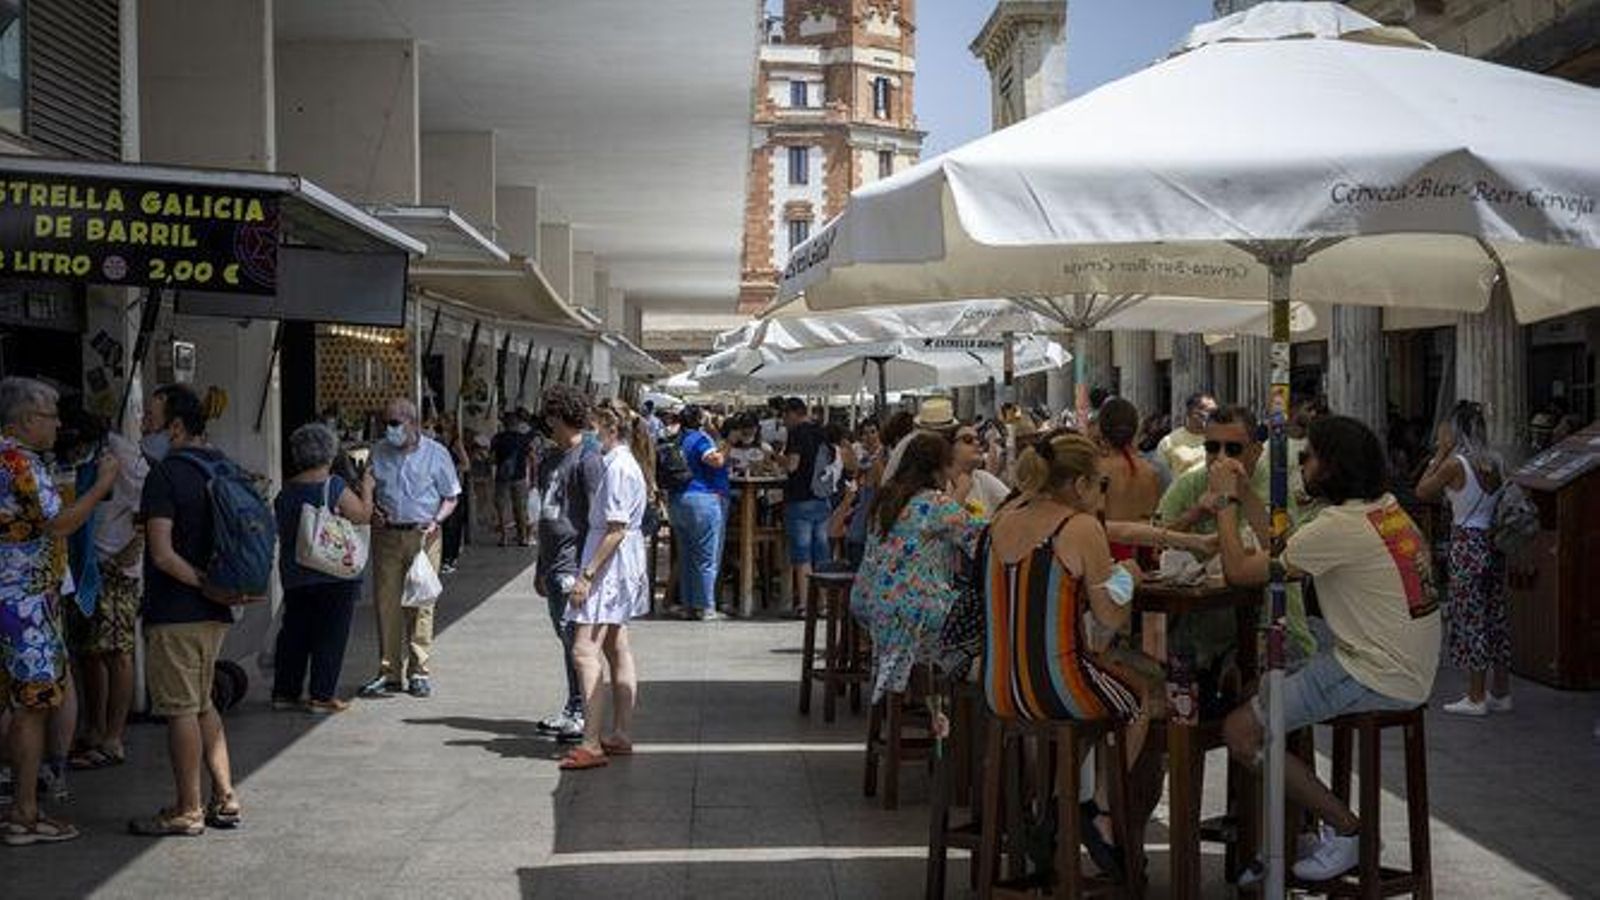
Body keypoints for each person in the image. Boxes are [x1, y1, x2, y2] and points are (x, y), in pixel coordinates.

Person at [1217, 416, 1441, 882]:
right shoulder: (1384, 509)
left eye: (1310, 457)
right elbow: (1283, 548)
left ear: (1332, 467)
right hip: (1406, 668)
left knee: (1240, 731)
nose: (1303, 466)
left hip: (1371, 671)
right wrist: (1249, 494)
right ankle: (1298, 827)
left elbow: (1240, 571)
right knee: (1266, 685)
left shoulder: (1340, 527)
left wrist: (1223, 499)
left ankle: (1347, 830)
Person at [981, 429, 1152, 875]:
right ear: (1079, 485)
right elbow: (1111, 617)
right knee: (1141, 698)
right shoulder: (1077, 527)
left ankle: (1054, 809)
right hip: (1060, 687)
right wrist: (1128, 574)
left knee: (1098, 700)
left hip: (1000, 689)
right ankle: (1096, 810)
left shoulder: (1003, 517)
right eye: (1100, 484)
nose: (1102, 495)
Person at [0, 378, 117, 846]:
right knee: (32, 708)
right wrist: (102, 485)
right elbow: (59, 522)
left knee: (18, 704)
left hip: (13, 598)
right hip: (25, 603)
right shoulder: (18, 461)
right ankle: (24, 814)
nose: (58, 424)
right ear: (26, 420)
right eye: (50, 415)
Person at [129, 383, 242, 837]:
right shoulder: (223, 465)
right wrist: (218, 590)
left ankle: (188, 808)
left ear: (175, 426)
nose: (144, 426)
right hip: (216, 613)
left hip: (178, 610)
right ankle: (226, 797)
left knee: (179, 709)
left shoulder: (165, 476)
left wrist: (202, 584)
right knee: (202, 704)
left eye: (151, 418)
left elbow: (161, 553)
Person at [1158, 405, 1315, 672]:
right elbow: (1156, 540)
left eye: (1232, 449)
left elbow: (1279, 549)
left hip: (1272, 625)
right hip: (1204, 631)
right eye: (1212, 448)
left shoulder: (1275, 486)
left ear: (1255, 451)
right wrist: (1195, 513)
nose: (1220, 457)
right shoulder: (1189, 484)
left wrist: (1237, 494)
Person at [851, 433, 985, 704]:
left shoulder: (887, 496)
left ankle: (912, 696)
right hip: (915, 611)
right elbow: (981, 542)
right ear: (938, 469)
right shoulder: (934, 503)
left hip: (870, 603)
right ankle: (950, 706)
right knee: (980, 622)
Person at [558, 404, 651, 770]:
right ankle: (620, 732)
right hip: (622, 561)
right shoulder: (629, 464)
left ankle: (591, 741)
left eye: (593, 427)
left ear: (609, 429)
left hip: (607, 563)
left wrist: (587, 575)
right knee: (616, 645)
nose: (590, 435)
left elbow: (614, 529)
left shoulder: (617, 468)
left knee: (584, 650)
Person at [271, 423, 375, 715]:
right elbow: (362, 515)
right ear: (329, 455)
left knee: (295, 632)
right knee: (330, 633)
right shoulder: (334, 486)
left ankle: (285, 692)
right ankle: (321, 694)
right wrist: (367, 489)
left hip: (295, 574)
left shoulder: (286, 490)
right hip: (333, 574)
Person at [1416, 400, 1511, 717]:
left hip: (1466, 544)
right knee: (1494, 615)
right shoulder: (1496, 461)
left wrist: (1441, 452)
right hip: (1492, 543)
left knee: (1470, 618)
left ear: (1455, 431)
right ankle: (1501, 691)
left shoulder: (1454, 464)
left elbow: (1422, 491)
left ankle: (1475, 695)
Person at [362, 397, 460, 700]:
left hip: (423, 537)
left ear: (412, 423)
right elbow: (368, 489)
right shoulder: (378, 452)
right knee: (386, 602)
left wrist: (437, 520)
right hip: (387, 535)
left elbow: (451, 495)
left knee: (421, 603)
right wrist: (372, 508)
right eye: (385, 423)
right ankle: (388, 671)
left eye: (394, 423)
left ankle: (419, 671)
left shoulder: (436, 454)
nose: (388, 429)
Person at [67, 412, 147, 772]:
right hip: (87, 564)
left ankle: (113, 736)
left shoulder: (123, 455)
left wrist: (136, 544)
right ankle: (94, 729)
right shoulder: (83, 456)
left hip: (116, 566)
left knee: (117, 651)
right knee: (89, 652)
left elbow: (150, 497)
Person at [533, 384, 605, 743]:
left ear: (560, 417)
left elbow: (598, 520)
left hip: (573, 565)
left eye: (550, 416)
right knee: (566, 641)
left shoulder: (587, 459)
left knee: (577, 643)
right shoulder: (550, 460)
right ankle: (573, 705)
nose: (547, 424)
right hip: (554, 564)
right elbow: (545, 517)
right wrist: (540, 566)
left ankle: (581, 710)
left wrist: (587, 572)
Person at [669, 405, 729, 621]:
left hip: (678, 500)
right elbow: (715, 460)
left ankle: (688, 605)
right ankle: (706, 607)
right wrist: (724, 447)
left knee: (686, 556)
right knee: (706, 557)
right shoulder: (700, 439)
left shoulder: (678, 439)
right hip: (702, 499)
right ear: (700, 420)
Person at [780, 397, 831, 616]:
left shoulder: (797, 433)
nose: (783, 421)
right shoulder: (821, 431)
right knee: (821, 553)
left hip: (799, 499)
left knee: (802, 554)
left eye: (784, 415)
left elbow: (792, 466)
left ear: (793, 413)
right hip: (821, 498)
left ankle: (805, 605)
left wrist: (777, 458)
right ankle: (825, 603)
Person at [490, 410, 536, 547]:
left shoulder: (497, 438)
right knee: (520, 508)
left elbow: (491, 458)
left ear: (504, 424)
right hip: (520, 477)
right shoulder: (523, 438)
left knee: (501, 508)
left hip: (502, 477)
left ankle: (504, 537)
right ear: (516, 424)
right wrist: (533, 477)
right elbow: (532, 458)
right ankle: (522, 537)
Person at [952, 421, 1010, 517]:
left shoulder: (982, 478)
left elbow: (1014, 505)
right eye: (968, 440)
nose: (977, 443)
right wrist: (960, 493)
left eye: (978, 439)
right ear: (949, 448)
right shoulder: (937, 486)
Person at [1156, 392, 1216, 480]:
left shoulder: (1220, 439)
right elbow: (1161, 477)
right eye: (1209, 411)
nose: (1212, 416)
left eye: (1214, 412)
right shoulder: (1168, 442)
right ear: (1191, 412)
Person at [437, 418, 471, 573]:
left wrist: (451, 468)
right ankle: (443, 556)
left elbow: (466, 464)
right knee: (444, 524)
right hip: (440, 488)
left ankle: (450, 558)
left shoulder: (456, 444)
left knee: (453, 524)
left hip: (453, 487)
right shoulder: (437, 443)